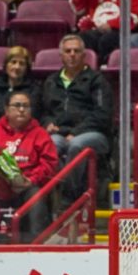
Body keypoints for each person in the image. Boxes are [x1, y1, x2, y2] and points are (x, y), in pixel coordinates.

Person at [0, 91, 58, 242]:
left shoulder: (40, 134)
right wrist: (0, 169)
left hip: (26, 188)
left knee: (37, 196)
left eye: (26, 106)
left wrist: (30, 180)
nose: (21, 109)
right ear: (6, 109)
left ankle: (37, 244)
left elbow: (49, 164)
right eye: (17, 105)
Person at [40, 34, 113, 208]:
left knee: (76, 146)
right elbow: (43, 111)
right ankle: (50, 196)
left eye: (76, 51)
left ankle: (68, 197)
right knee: (49, 144)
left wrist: (77, 132)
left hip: (93, 134)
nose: (72, 54)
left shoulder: (97, 80)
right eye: (68, 51)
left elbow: (103, 114)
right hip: (60, 132)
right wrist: (48, 123)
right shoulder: (51, 81)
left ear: (84, 55)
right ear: (61, 56)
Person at [0, 46, 41, 123]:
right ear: (6, 65)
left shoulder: (34, 89)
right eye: (13, 62)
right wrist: (16, 108)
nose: (17, 67)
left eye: (21, 64)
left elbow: (30, 114)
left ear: (27, 68)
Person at [72, 0, 138, 64]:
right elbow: (78, 5)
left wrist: (111, 24)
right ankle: (88, 67)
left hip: (121, 29)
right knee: (83, 37)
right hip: (97, 28)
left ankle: (106, 67)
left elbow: (133, 17)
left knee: (107, 40)